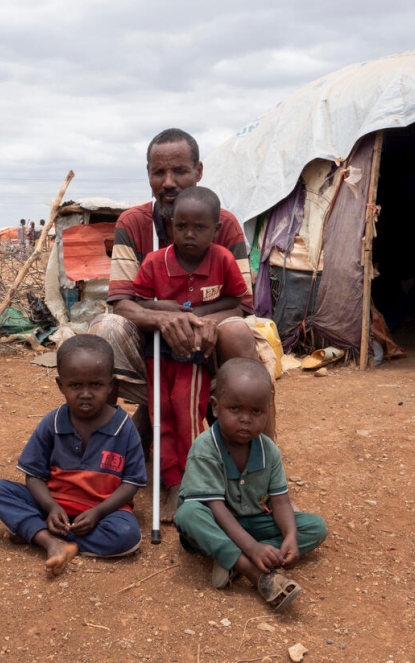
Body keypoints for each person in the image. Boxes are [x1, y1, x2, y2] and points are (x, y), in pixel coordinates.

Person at [89, 128, 276, 438]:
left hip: (210, 347)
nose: (169, 182)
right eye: (158, 172)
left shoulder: (223, 225)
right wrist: (166, 320)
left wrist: (190, 321)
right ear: (148, 175)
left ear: (198, 171)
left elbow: (241, 305)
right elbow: (122, 304)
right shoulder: (133, 223)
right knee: (104, 328)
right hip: (154, 349)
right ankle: (103, 447)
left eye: (179, 170)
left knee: (235, 330)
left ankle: (260, 457)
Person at [132, 186, 250, 521]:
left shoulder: (222, 260)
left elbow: (235, 302)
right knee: (161, 415)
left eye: (200, 228)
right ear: (171, 226)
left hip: (194, 357)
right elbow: (139, 302)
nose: (189, 234)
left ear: (215, 230)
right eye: (181, 226)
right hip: (158, 354)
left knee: (187, 414)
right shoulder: (156, 262)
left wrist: (197, 313)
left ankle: (193, 480)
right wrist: (167, 308)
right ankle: (172, 481)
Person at [0, 335, 147, 576]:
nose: (85, 394)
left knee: (127, 536)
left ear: (111, 385)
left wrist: (98, 512)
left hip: (102, 512)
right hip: (54, 508)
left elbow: (131, 483)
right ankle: (52, 541)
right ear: (61, 385)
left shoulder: (124, 428)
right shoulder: (52, 423)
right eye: (75, 385)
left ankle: (38, 534)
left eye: (96, 385)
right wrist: (50, 507)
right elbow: (34, 476)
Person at [174, 358, 327, 612]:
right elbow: (216, 508)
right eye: (235, 409)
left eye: (256, 412)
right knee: (188, 514)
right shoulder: (205, 448)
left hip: (252, 521)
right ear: (215, 407)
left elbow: (280, 501)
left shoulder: (269, 451)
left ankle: (229, 557)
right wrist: (253, 548)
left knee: (315, 527)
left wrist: (290, 537)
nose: (245, 419)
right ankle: (253, 572)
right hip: (213, 522)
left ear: (267, 411)